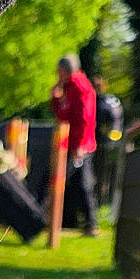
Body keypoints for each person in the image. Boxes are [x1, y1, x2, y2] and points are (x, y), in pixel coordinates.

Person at [50, 52, 98, 236]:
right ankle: (80, 223)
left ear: (64, 70)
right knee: (74, 184)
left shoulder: (80, 87)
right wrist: (55, 98)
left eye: (58, 71)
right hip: (74, 144)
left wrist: (80, 145)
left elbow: (84, 119)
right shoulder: (70, 86)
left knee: (83, 184)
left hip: (81, 146)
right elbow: (64, 116)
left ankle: (91, 224)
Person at [93, 75, 124, 207]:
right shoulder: (113, 101)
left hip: (100, 144)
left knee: (98, 177)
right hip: (114, 144)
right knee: (107, 177)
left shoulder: (98, 102)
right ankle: (102, 206)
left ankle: (98, 205)